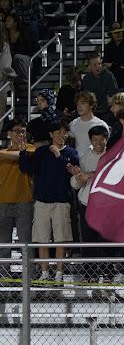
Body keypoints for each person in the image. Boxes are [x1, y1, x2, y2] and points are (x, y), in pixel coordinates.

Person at [19, 120, 79, 282]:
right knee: (41, 238)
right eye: (57, 132)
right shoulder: (41, 151)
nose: (61, 135)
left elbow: (70, 174)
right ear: (51, 134)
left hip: (62, 202)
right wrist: (23, 152)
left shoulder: (72, 153)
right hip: (42, 201)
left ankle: (59, 274)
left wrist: (59, 156)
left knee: (61, 239)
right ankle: (44, 272)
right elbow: (26, 168)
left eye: (64, 132)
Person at [68, 125, 109, 275]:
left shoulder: (112, 156)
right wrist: (78, 176)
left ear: (107, 140)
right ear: (91, 140)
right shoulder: (83, 158)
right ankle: (89, 274)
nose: (98, 142)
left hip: (107, 206)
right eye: (95, 139)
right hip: (87, 204)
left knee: (106, 240)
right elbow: (76, 184)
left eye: (102, 139)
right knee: (88, 240)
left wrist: (89, 174)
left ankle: (107, 274)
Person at [0, 120, 34, 276]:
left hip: (24, 201)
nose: (21, 134)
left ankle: (29, 278)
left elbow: (19, 156)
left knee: (25, 243)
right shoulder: (4, 152)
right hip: (3, 201)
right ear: (9, 133)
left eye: (23, 131)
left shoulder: (31, 150)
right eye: (17, 131)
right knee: (3, 244)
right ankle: (4, 278)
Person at [68, 91, 110, 157]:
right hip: (77, 163)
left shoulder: (100, 125)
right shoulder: (73, 124)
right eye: (78, 103)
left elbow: (106, 147)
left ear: (91, 105)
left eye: (83, 103)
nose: (79, 106)